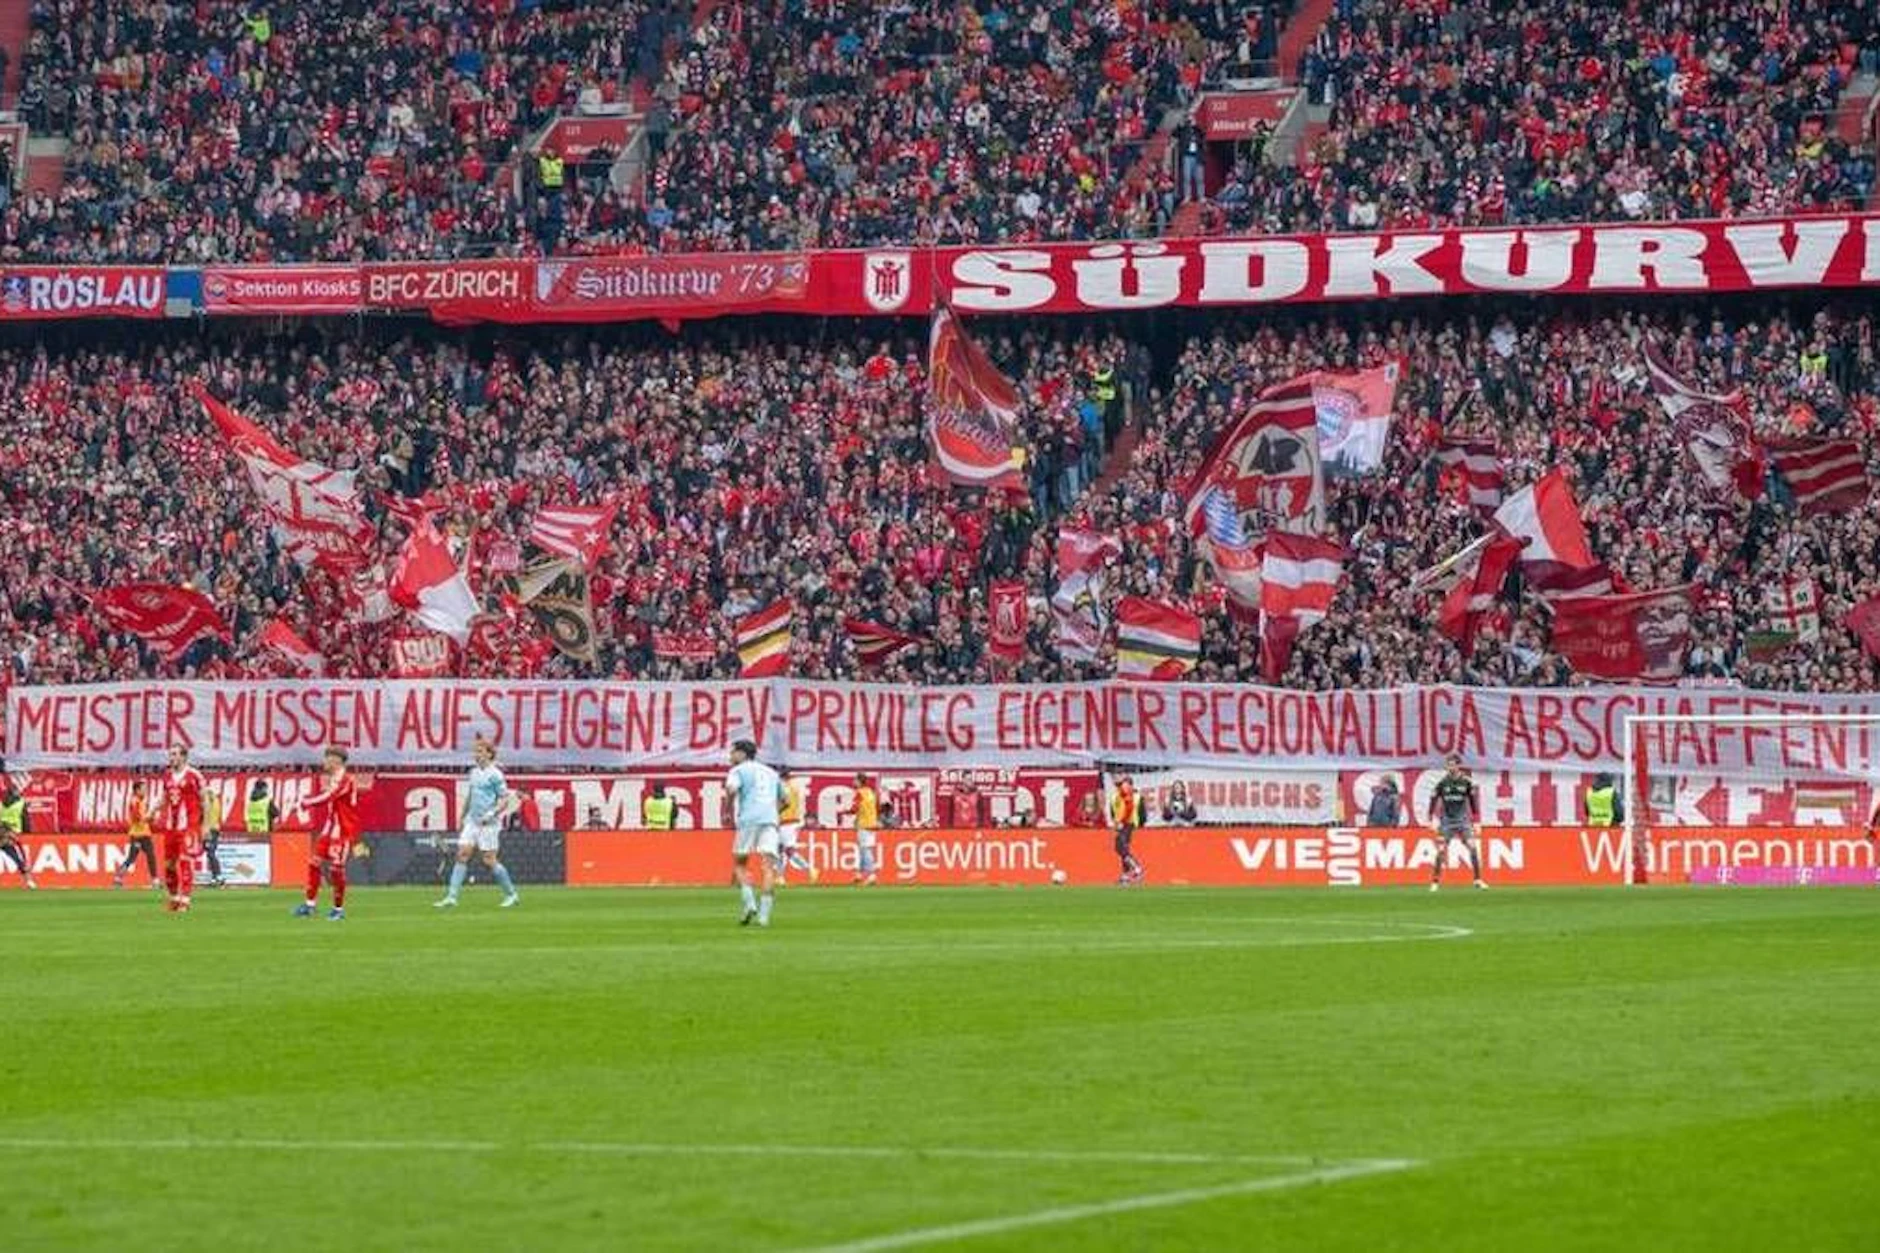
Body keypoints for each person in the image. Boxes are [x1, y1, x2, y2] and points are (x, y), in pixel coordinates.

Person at [435, 737, 521, 909]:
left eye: (480, 751)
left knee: (489, 860)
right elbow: (470, 796)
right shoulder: (473, 772)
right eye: (476, 752)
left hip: (489, 824)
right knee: (462, 854)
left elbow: (505, 800)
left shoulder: (496, 774)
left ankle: (511, 894)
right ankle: (452, 897)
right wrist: (461, 816)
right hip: (472, 822)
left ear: (489, 754)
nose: (477, 755)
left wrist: (492, 813)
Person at [295, 747, 364, 920]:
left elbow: (330, 796)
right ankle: (309, 905)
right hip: (330, 827)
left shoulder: (346, 779)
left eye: (327, 759)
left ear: (336, 761)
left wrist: (307, 802)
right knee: (314, 863)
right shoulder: (335, 777)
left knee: (336, 869)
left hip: (343, 830)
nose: (324, 762)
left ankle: (338, 909)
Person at [726, 740, 785, 926]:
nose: (731, 756)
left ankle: (750, 903)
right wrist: (772, 812)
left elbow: (731, 788)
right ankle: (764, 917)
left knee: (740, 864)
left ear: (742, 754)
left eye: (733, 752)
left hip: (748, 820)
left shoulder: (738, 770)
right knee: (768, 867)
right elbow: (785, 800)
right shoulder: (771, 772)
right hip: (770, 821)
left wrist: (728, 807)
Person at [1427, 753, 1487, 891]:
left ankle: (1478, 880)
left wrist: (1476, 822)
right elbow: (1433, 799)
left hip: (1463, 821)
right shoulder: (1442, 783)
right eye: (1448, 764)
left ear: (1459, 766)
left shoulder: (1466, 782)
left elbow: (1473, 803)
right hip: (1446, 821)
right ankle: (1435, 882)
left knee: (1473, 848)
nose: (1450, 767)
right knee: (1441, 850)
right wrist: (1430, 818)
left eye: (1453, 764)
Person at [161, 746, 205, 912]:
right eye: (170, 754)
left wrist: (206, 825)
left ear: (183, 757)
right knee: (169, 865)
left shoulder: (194, 775)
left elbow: (205, 800)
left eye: (174, 754)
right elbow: (164, 798)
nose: (171, 758)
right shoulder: (167, 776)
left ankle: (185, 900)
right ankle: (173, 898)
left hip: (189, 826)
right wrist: (153, 810)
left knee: (186, 861)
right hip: (170, 827)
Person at [112, 779, 159, 890]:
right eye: (143, 789)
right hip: (137, 834)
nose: (145, 791)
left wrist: (152, 818)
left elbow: (146, 819)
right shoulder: (134, 802)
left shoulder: (143, 801)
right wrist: (151, 814)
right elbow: (137, 818)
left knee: (151, 855)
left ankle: (155, 880)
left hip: (145, 833)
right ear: (137, 790)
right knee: (132, 857)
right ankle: (118, 877)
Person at [774, 766, 816, 884]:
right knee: (780, 849)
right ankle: (780, 876)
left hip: (786, 821)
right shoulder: (794, 786)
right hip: (791, 820)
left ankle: (809, 869)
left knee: (788, 851)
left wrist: (775, 811)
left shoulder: (783, 787)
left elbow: (785, 803)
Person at [0, 783, 36, 890]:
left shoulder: (1, 803)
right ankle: (29, 880)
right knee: (18, 857)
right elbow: (25, 819)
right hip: (12, 834)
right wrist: (28, 830)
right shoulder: (20, 803)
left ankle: (29, 881)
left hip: (1, 830)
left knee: (16, 855)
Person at [1111, 776, 1144, 884]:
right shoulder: (1114, 796)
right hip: (1120, 824)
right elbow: (1113, 811)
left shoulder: (1136, 797)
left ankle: (1136, 867)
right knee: (1122, 849)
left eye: (1127, 785)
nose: (1125, 787)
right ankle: (1126, 875)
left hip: (1129, 823)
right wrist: (1116, 822)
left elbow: (1140, 812)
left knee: (1120, 846)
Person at [852, 772, 880, 885]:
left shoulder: (859, 793)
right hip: (872, 824)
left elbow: (854, 808)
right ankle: (859, 874)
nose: (853, 782)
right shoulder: (871, 792)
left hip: (863, 824)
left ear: (859, 781)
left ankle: (872, 874)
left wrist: (844, 811)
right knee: (863, 849)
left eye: (855, 780)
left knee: (865, 849)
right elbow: (876, 807)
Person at [202, 783, 226, 888]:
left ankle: (219, 877)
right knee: (210, 854)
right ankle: (215, 877)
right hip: (212, 829)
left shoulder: (211, 801)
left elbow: (206, 812)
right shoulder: (215, 801)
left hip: (211, 830)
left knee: (211, 853)